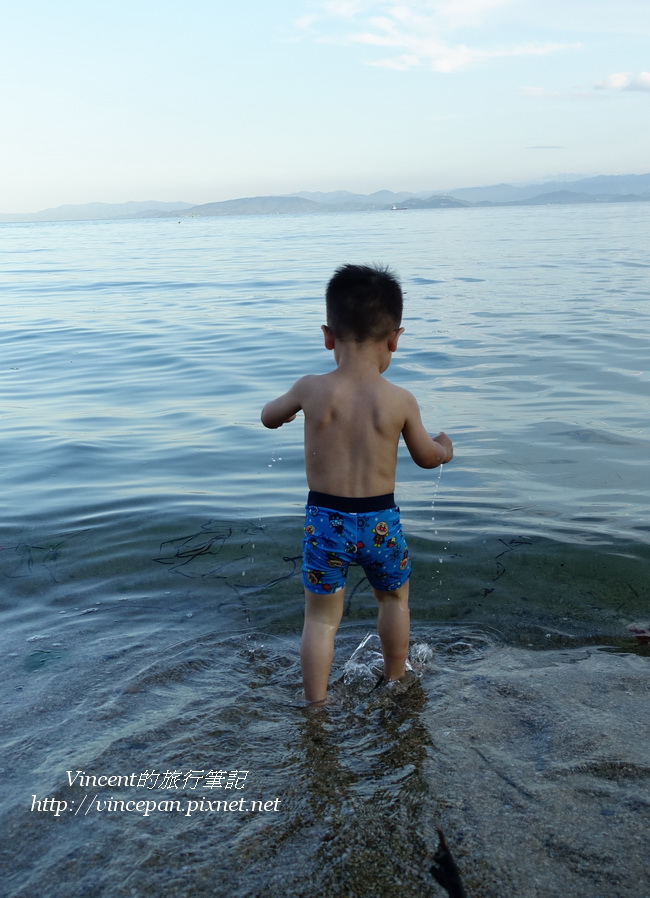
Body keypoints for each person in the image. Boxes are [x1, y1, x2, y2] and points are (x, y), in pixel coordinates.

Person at [261, 264, 453, 704]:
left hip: (325, 522)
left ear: (328, 336)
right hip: (380, 521)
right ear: (395, 339)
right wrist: (446, 447)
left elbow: (268, 416)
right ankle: (395, 679)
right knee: (393, 601)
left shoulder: (310, 388)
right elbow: (427, 458)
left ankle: (316, 705)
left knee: (322, 620)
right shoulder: (400, 399)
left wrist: (289, 410)